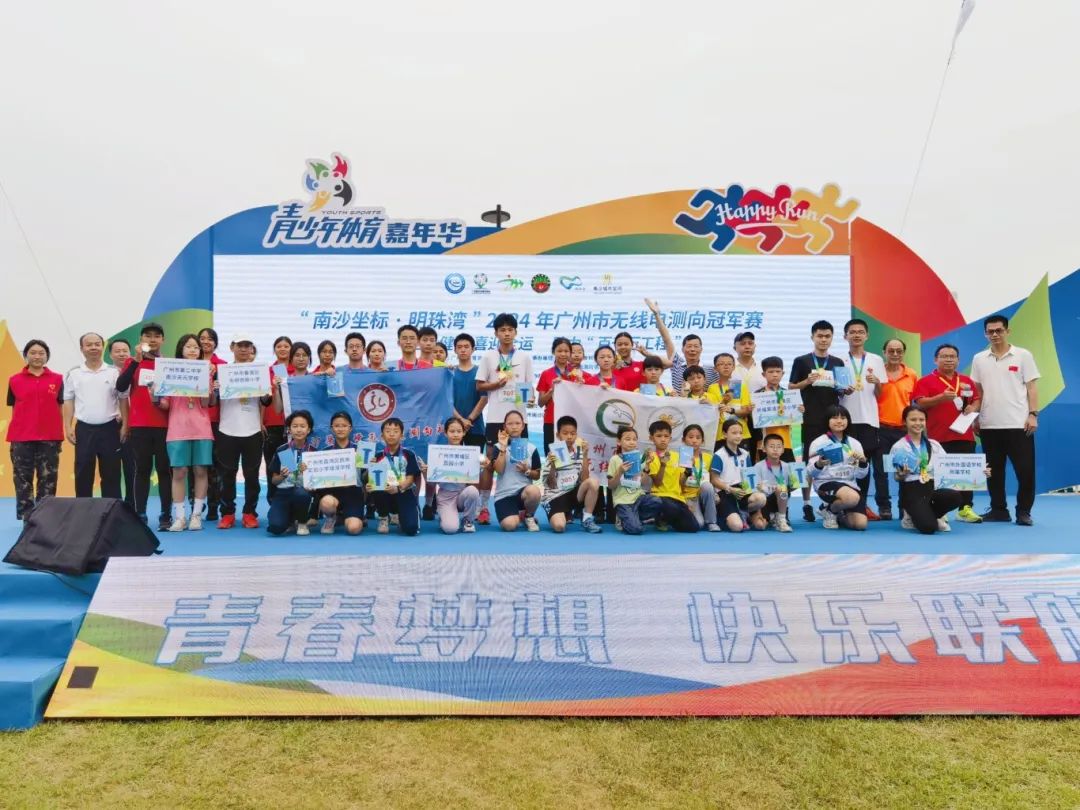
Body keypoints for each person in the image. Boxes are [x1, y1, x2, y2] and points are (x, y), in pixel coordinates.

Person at [970, 313, 1041, 526]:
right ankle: (999, 510)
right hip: (989, 425)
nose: (995, 334)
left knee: (1025, 472)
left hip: (1019, 425)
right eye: (990, 331)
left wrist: (1033, 414)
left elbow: (1032, 387)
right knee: (993, 472)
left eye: (999, 330)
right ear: (985, 334)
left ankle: (1024, 512)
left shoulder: (1023, 355)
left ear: (1007, 331)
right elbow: (978, 392)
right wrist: (975, 417)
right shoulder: (979, 359)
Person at [912, 343, 983, 523]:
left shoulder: (966, 380)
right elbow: (919, 403)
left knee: (965, 474)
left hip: (965, 435)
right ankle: (940, 509)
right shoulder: (925, 381)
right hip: (938, 437)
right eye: (944, 356)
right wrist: (941, 398)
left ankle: (965, 509)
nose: (949, 360)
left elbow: (976, 400)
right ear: (935, 360)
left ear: (958, 360)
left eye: (952, 356)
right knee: (938, 475)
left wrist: (973, 408)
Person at [475, 314, 535, 524]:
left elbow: (528, 386)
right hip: (495, 419)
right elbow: (479, 386)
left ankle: (522, 507)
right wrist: (495, 385)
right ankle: (483, 507)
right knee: (490, 463)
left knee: (519, 461)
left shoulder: (524, 358)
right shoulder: (489, 357)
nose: (507, 333)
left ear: (516, 332)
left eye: (510, 330)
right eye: (502, 330)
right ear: (496, 333)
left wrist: (529, 399)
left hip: (519, 420)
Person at [154, 334, 214, 531]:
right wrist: (154, 394)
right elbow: (165, 404)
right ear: (181, 349)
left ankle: (196, 515)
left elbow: (206, 403)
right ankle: (180, 517)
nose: (193, 350)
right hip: (178, 429)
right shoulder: (170, 371)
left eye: (196, 347)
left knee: (200, 470)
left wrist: (207, 384)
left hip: (201, 428)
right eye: (188, 346)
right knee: (179, 472)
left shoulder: (206, 371)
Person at [788, 320, 847, 522]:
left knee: (833, 459)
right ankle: (806, 503)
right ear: (812, 337)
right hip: (809, 418)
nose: (823, 339)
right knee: (809, 460)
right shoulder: (801, 361)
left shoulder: (837, 362)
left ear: (832, 338)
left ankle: (830, 502)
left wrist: (846, 389)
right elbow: (791, 387)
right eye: (819, 336)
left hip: (833, 419)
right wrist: (807, 381)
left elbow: (842, 389)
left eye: (827, 336)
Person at [115, 322, 172, 530]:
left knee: (165, 471)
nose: (152, 339)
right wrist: (136, 362)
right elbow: (121, 386)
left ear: (163, 340)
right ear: (141, 340)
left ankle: (166, 515)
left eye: (157, 336)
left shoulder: (168, 364)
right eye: (148, 336)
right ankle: (141, 513)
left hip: (165, 425)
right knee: (142, 470)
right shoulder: (132, 362)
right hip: (139, 426)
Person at [889, 405, 971, 534]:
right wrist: (902, 474)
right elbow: (896, 477)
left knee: (955, 497)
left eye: (921, 420)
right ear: (905, 422)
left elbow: (949, 467)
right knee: (928, 528)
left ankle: (931, 515)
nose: (918, 423)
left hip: (932, 487)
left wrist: (979, 473)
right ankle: (911, 516)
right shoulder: (898, 446)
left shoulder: (934, 444)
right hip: (912, 490)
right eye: (913, 420)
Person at [7, 339, 63, 522]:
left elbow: (60, 407)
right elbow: (14, 408)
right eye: (33, 353)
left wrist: (59, 432)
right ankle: (27, 516)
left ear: (47, 356)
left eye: (41, 353)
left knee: (48, 477)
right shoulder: (14, 380)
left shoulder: (57, 379)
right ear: (26, 356)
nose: (37, 356)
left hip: (50, 437)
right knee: (22, 478)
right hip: (21, 437)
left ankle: (45, 516)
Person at [64, 332, 125, 501]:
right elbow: (68, 400)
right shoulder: (74, 373)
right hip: (84, 429)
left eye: (97, 344)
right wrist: (68, 426)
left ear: (103, 347)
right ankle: (83, 511)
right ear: (82, 348)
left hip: (110, 428)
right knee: (83, 472)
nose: (93, 347)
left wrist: (125, 425)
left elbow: (123, 399)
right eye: (89, 344)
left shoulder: (114, 372)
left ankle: (112, 510)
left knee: (111, 472)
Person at [839, 319, 886, 520]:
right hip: (845, 420)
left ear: (867, 336)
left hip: (868, 419)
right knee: (845, 464)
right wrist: (843, 390)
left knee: (863, 464)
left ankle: (862, 504)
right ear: (845, 336)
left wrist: (877, 383)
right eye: (852, 332)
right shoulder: (839, 360)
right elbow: (837, 391)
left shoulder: (876, 360)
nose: (856, 335)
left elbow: (880, 393)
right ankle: (844, 504)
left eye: (860, 332)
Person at [216, 333, 263, 529]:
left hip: (252, 429)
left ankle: (249, 512)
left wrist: (266, 389)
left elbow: (266, 400)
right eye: (239, 345)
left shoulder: (259, 371)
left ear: (252, 349)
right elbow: (212, 399)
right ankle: (227, 513)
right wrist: (215, 388)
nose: (243, 349)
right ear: (232, 347)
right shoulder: (223, 372)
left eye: (247, 345)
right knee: (227, 474)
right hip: (228, 428)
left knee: (252, 475)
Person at [874, 337, 918, 520]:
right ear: (884, 352)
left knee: (905, 470)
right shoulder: (876, 374)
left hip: (903, 431)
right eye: (891, 351)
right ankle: (884, 506)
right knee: (881, 471)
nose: (895, 354)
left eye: (899, 351)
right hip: (880, 428)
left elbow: (914, 403)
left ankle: (904, 507)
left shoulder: (911, 375)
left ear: (903, 353)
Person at [807, 405, 870, 530]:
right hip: (826, 484)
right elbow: (810, 472)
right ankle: (830, 511)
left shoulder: (855, 443)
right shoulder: (818, 443)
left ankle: (837, 513)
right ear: (827, 421)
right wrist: (819, 464)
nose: (839, 421)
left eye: (843, 418)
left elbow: (861, 475)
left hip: (850, 486)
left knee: (859, 525)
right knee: (851, 498)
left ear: (848, 421)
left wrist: (863, 463)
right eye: (835, 418)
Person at [541, 415, 602, 533]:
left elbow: (585, 479)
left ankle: (587, 518)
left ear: (576, 435)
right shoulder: (552, 454)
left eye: (572, 433)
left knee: (593, 482)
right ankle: (562, 512)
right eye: (565, 433)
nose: (569, 437)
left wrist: (585, 455)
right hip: (555, 496)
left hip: (572, 494)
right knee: (559, 527)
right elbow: (550, 484)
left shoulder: (579, 453)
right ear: (558, 435)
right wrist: (553, 465)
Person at [313, 411, 366, 535]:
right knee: (326, 502)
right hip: (332, 494)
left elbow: (365, 479)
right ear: (332, 429)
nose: (340, 429)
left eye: (344, 426)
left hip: (353, 494)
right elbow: (318, 479)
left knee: (354, 529)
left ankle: (354, 517)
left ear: (350, 428)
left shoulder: (360, 450)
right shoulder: (325, 452)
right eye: (337, 426)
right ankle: (331, 518)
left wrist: (369, 468)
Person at [266, 410, 317, 536]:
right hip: (283, 493)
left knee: (301, 493)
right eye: (295, 426)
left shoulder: (313, 452)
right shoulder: (283, 450)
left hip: (303, 493)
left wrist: (307, 475)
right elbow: (274, 481)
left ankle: (302, 522)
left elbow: (318, 482)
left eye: (302, 426)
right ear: (289, 429)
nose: (299, 430)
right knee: (276, 527)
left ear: (308, 430)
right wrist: (282, 476)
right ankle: (289, 519)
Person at [709, 419, 765, 532]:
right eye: (734, 433)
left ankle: (743, 513)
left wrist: (757, 487)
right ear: (724, 434)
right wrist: (730, 489)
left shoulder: (745, 454)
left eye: (740, 433)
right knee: (737, 527)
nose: (738, 436)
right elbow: (714, 480)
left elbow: (749, 477)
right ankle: (725, 517)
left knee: (761, 499)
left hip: (742, 492)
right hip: (725, 493)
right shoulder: (719, 455)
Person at [368, 417, 421, 536]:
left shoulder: (409, 454)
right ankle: (383, 517)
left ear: (402, 436)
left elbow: (410, 479)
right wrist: (369, 485)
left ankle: (398, 515)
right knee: (378, 489)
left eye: (396, 431)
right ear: (382, 436)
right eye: (388, 431)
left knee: (411, 529)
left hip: (403, 492)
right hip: (384, 493)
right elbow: (372, 479)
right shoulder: (376, 457)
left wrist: (397, 488)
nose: (391, 434)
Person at [489, 409, 541, 532]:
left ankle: (528, 516)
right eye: (510, 424)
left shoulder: (531, 448)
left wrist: (527, 471)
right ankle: (518, 516)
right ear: (504, 427)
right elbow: (499, 470)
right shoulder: (497, 447)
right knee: (509, 526)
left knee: (534, 491)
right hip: (504, 495)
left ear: (523, 426)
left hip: (524, 493)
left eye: (517, 423)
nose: (514, 427)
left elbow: (537, 475)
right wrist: (503, 448)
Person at [643, 420, 699, 533]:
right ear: (651, 438)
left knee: (693, 527)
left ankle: (666, 519)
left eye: (666, 436)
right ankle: (660, 518)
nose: (663, 439)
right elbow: (658, 483)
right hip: (660, 496)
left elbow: (682, 482)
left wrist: (688, 470)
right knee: (671, 507)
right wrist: (663, 465)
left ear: (670, 438)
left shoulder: (677, 456)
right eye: (659, 436)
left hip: (678, 498)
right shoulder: (651, 457)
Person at [433, 416, 486, 534]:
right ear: (445, 433)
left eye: (459, 431)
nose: (455, 434)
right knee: (450, 529)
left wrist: (483, 465)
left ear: (464, 433)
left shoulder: (471, 453)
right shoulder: (438, 453)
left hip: (462, 494)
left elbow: (475, 479)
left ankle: (468, 520)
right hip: (445, 497)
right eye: (452, 431)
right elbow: (432, 483)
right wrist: (427, 471)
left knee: (473, 491)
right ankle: (444, 516)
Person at [194, 327, 226, 522]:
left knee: (215, 466)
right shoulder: (188, 364)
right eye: (202, 338)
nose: (206, 342)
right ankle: (196, 504)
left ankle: (214, 505)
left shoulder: (223, 366)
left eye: (210, 339)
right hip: (193, 422)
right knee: (196, 465)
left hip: (216, 421)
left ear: (216, 343)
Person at [607, 426, 663, 535]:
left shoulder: (640, 458)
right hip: (623, 501)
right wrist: (620, 472)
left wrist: (646, 467)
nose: (632, 442)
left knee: (657, 502)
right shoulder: (615, 459)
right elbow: (610, 486)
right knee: (636, 529)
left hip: (638, 498)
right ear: (619, 442)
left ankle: (634, 518)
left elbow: (644, 483)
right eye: (628, 439)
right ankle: (623, 519)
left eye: (634, 439)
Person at [536, 337, 589, 452]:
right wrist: (552, 390)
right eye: (559, 351)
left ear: (570, 353)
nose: (563, 354)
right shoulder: (546, 374)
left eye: (566, 351)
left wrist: (581, 386)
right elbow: (540, 403)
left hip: (572, 422)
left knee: (574, 456)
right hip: (551, 421)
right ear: (553, 352)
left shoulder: (578, 374)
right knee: (552, 456)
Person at [750, 356, 802, 461]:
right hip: (764, 442)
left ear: (783, 373)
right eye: (771, 372)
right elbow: (754, 420)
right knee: (766, 470)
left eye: (778, 371)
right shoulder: (757, 395)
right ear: (763, 374)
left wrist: (799, 411)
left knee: (786, 469)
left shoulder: (789, 395)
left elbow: (795, 418)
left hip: (785, 442)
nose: (775, 374)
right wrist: (751, 411)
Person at [262, 335, 293, 505]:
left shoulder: (297, 371)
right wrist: (261, 422)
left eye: (286, 346)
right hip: (272, 425)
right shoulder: (267, 371)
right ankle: (273, 501)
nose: (282, 349)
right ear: (274, 350)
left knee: (290, 465)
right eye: (279, 346)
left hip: (293, 428)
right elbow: (262, 400)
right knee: (272, 466)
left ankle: (289, 501)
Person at [107, 337, 136, 505]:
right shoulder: (107, 373)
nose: (121, 354)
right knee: (111, 468)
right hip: (112, 424)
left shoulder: (136, 370)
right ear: (110, 355)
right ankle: (114, 505)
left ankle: (132, 504)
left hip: (133, 424)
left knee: (132, 467)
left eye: (125, 350)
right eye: (117, 351)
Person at [751, 433, 798, 532]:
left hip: (781, 500)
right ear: (764, 449)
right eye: (772, 446)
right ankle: (772, 516)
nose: (775, 449)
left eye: (779, 447)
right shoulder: (758, 467)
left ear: (783, 450)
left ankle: (782, 519)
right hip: (764, 502)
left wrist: (797, 484)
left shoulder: (788, 467)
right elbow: (755, 490)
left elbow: (791, 489)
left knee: (782, 488)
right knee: (760, 526)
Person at [450, 333, 487, 453]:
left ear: (473, 349)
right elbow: (446, 400)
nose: (463, 350)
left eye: (466, 347)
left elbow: (484, 398)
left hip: (476, 427)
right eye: (459, 347)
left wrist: (469, 420)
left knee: (475, 462)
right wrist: (460, 419)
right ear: (455, 350)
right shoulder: (450, 373)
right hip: (453, 428)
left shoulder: (480, 372)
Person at [680, 424, 721, 532]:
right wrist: (687, 470)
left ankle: (712, 522)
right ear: (683, 440)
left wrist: (715, 493)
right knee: (699, 524)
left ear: (702, 441)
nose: (694, 441)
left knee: (707, 486)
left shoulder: (708, 457)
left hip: (705, 493)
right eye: (691, 437)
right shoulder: (679, 458)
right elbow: (679, 483)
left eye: (698, 438)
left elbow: (713, 479)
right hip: (688, 496)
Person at [706, 353, 750, 451]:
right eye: (721, 364)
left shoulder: (740, 386)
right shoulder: (712, 388)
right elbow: (712, 411)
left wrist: (732, 410)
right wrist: (724, 401)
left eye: (729, 364)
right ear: (715, 368)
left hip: (740, 433)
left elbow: (746, 410)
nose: (726, 366)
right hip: (720, 434)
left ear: (734, 367)